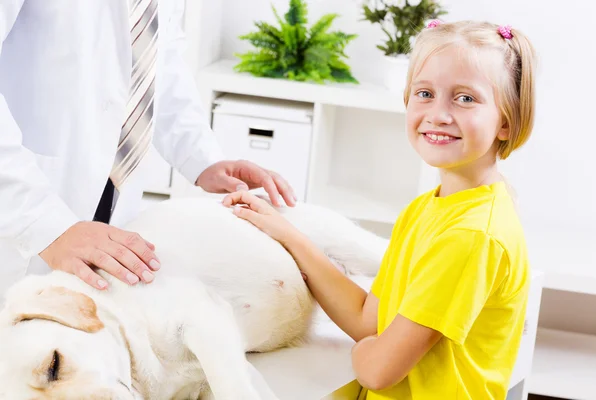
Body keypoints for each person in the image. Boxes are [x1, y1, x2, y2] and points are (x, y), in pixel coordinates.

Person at [222, 19, 537, 399]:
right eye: (424, 93)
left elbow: (377, 368)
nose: (438, 113)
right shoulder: (428, 208)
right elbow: (368, 320)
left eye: (465, 98)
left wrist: (365, 351)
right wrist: (288, 234)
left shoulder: (471, 237)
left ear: (506, 121)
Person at [0, 1, 295, 296]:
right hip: (22, 198)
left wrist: (201, 156)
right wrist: (45, 224)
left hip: (110, 189)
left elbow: (158, 55)